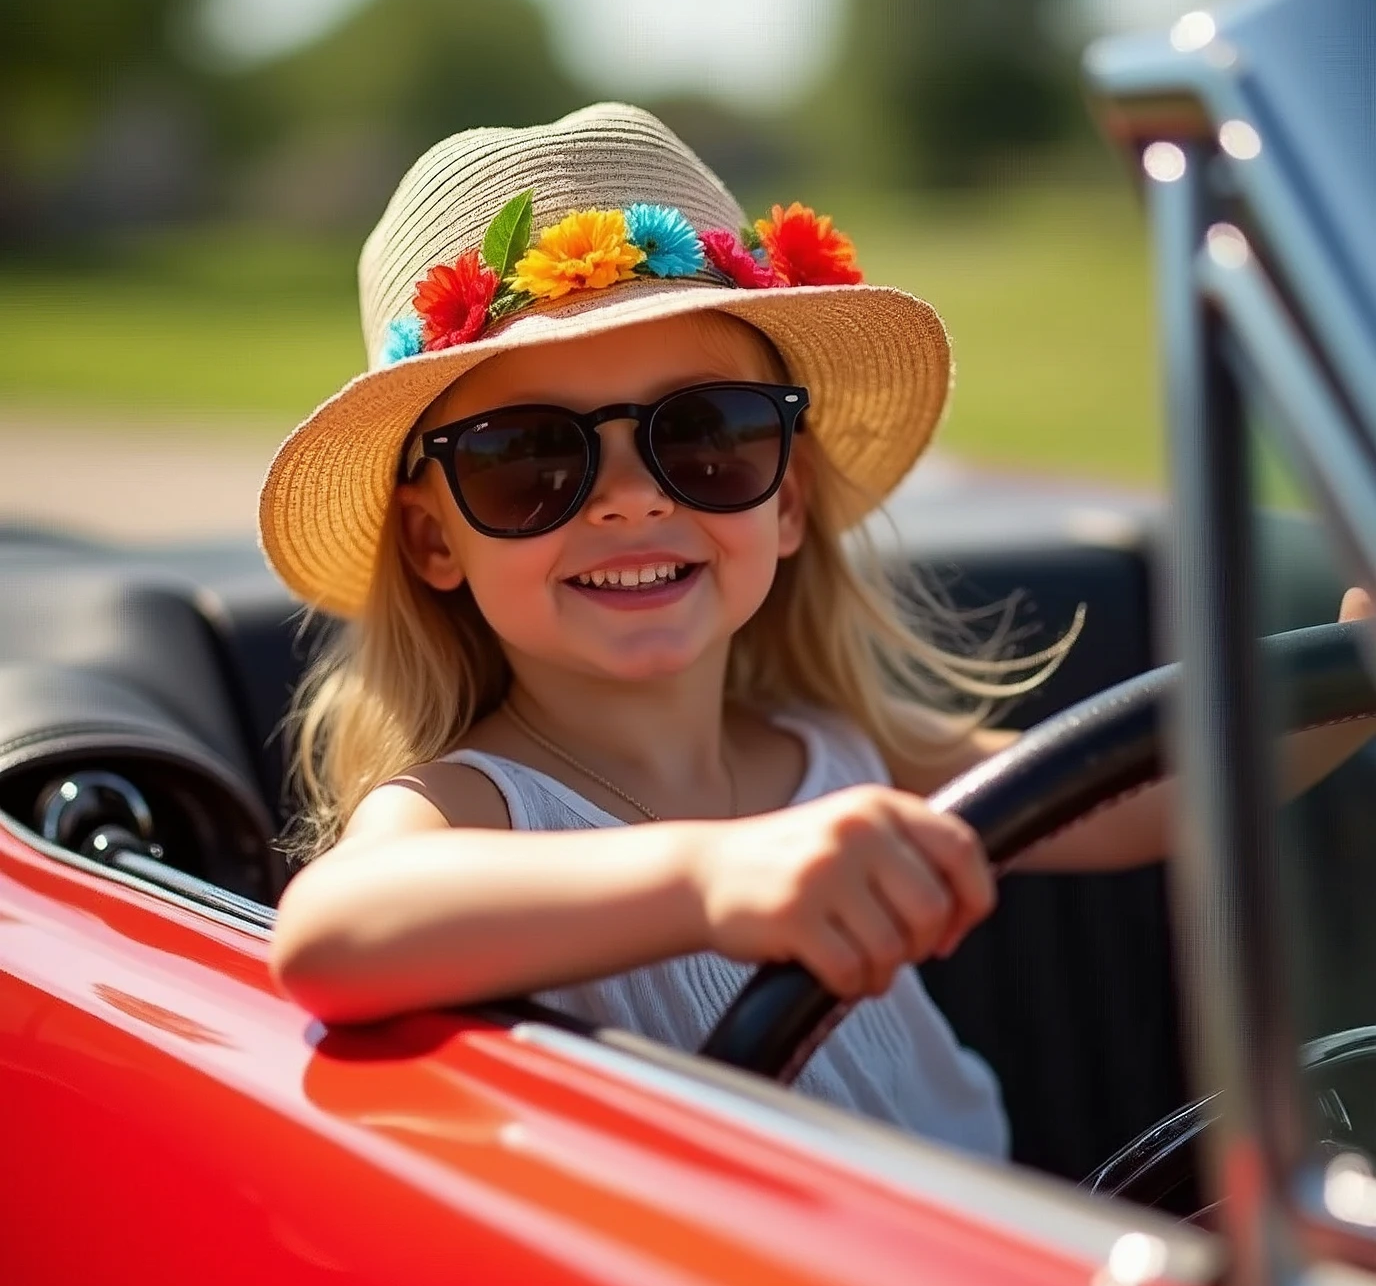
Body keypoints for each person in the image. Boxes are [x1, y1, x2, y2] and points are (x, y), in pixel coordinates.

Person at [264, 102, 1370, 1159]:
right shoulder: (474, 804)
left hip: (978, 1251)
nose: (631, 499)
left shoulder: (838, 749)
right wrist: (710, 876)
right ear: (432, 543)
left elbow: (1136, 801)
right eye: (528, 459)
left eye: (705, 437)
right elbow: (331, 927)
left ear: (785, 501)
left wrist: (1352, 672)